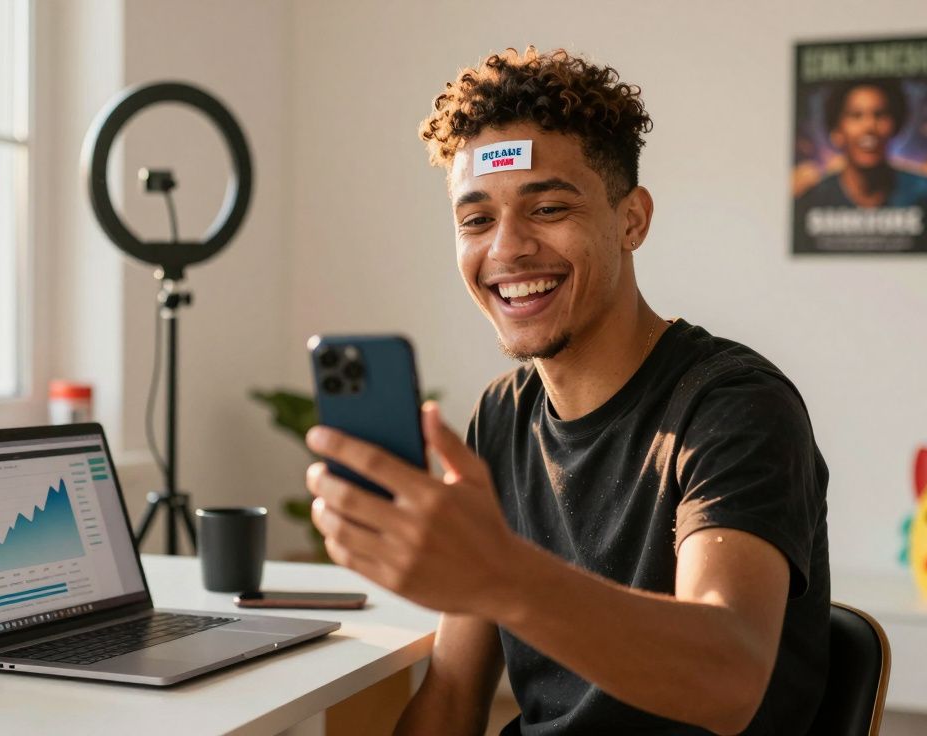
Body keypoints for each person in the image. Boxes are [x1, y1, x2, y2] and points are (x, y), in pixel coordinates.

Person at [304, 48, 829, 735]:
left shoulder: (733, 406)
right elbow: (454, 696)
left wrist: (499, 574)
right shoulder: (502, 415)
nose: (508, 250)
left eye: (547, 207)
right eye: (476, 220)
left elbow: (728, 678)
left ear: (632, 220)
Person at [796, 78, 927, 210]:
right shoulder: (815, 199)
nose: (869, 126)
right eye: (856, 115)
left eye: (880, 115)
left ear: (895, 126)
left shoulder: (924, 193)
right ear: (837, 132)